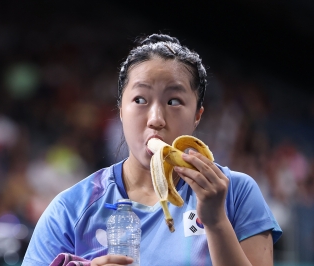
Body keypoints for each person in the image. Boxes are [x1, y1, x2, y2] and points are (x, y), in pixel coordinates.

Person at [22, 34, 282, 266]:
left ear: (197, 116)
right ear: (121, 110)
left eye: (173, 101)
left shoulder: (237, 193)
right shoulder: (71, 209)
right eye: (140, 100)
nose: (156, 118)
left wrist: (215, 222)